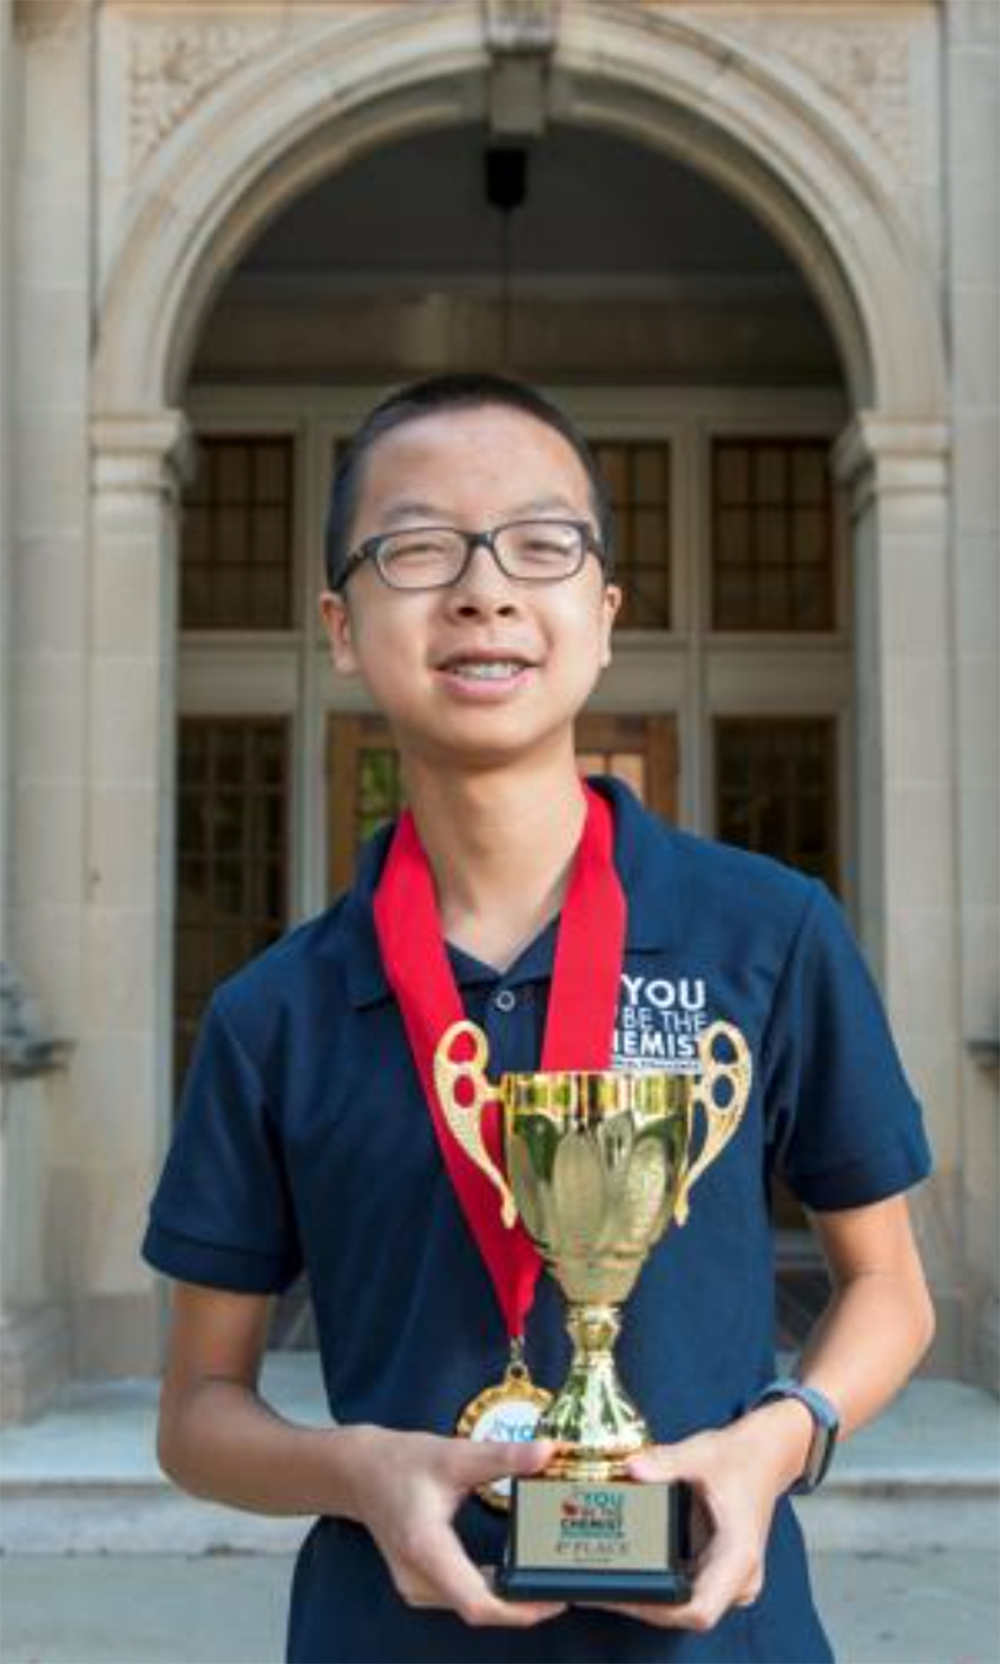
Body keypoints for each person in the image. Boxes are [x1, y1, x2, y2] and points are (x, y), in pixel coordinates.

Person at [142, 373, 935, 1663]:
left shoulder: (770, 934)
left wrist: (770, 1447)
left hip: (724, 1640)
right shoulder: (272, 1012)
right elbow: (196, 1412)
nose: (484, 588)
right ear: (341, 627)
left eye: (540, 541)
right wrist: (362, 1471)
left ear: (604, 615)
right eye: (418, 546)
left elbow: (890, 1290)